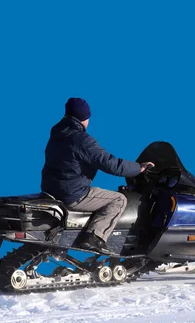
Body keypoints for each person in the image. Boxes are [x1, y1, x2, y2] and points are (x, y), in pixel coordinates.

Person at [41, 97, 154, 254]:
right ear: (84, 118)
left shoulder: (57, 134)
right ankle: (94, 238)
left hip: (52, 190)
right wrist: (138, 168)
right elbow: (110, 164)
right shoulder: (81, 139)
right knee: (119, 199)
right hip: (72, 194)